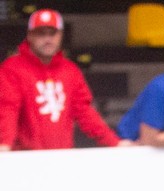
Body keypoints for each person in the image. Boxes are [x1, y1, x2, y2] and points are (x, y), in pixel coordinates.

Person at [0, 8, 128, 151]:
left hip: (62, 157)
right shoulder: (12, 68)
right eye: (41, 33)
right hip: (25, 158)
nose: (48, 39)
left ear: (60, 35)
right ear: (30, 36)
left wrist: (114, 142)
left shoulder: (70, 70)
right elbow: (7, 109)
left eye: (52, 33)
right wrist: (4, 145)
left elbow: (85, 112)